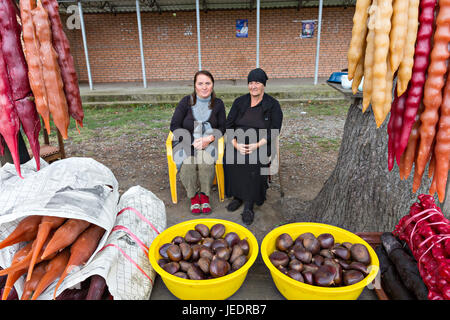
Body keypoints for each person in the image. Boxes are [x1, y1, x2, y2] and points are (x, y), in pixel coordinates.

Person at [224, 68, 283, 225]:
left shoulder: (273, 105)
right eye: (250, 83)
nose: (253, 86)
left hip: (261, 143)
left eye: (257, 82)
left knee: (253, 161)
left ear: (263, 84)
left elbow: (275, 129)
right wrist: (235, 144)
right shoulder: (239, 102)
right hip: (239, 141)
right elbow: (228, 125)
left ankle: (249, 204)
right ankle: (238, 196)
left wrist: (257, 145)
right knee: (231, 158)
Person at [170, 70, 226, 215]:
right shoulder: (185, 102)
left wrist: (209, 139)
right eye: (200, 83)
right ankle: (194, 196)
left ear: (212, 85)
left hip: (208, 142)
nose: (204, 87)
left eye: (207, 83)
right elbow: (174, 126)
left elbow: (222, 127)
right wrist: (191, 142)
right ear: (195, 86)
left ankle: (205, 196)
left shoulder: (218, 104)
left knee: (204, 160)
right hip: (185, 141)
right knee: (188, 162)